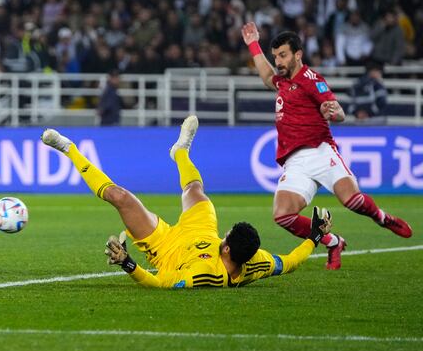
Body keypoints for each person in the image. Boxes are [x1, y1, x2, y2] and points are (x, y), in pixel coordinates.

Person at [41, 117, 333, 288]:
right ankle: (180, 151)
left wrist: (128, 263)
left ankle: (68, 149)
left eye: (227, 235)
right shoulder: (257, 260)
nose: (226, 235)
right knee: (194, 187)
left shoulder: (204, 275)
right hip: (200, 229)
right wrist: (315, 236)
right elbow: (290, 262)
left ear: (227, 247)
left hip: (165, 245)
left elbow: (159, 283)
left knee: (120, 197)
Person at [241, 22, 412, 271]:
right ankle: (333, 242)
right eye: (276, 56)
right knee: (282, 215)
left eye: (283, 55)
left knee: (351, 200)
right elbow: (267, 77)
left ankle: (383, 218)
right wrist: (253, 44)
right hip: (295, 161)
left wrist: (332, 112)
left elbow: (337, 109)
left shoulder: (311, 80)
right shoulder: (282, 81)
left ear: (298, 55)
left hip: (321, 152)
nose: (278, 61)